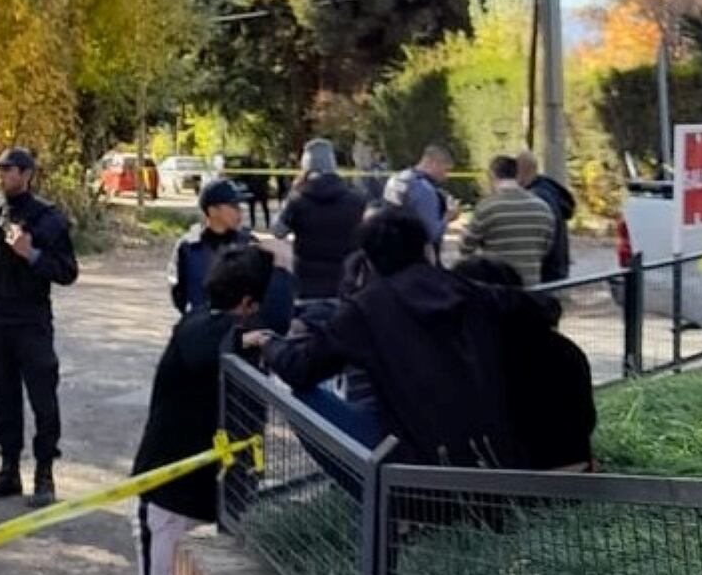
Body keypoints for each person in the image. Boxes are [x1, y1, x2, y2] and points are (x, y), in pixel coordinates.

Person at [120, 240, 294, 575]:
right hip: (170, 499)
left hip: (214, 497)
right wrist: (278, 277)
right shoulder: (200, 329)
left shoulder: (229, 331)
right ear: (246, 304)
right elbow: (211, 346)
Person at [247, 206, 554, 467]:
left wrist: (269, 343)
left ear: (369, 258)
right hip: (493, 452)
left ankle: (376, 501)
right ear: (426, 249)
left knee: (304, 398)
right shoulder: (467, 289)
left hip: (414, 462)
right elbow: (545, 307)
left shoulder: (365, 309)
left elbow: (300, 368)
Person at [0, 146, 79, 508]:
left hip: (31, 321)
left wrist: (32, 254)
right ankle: (8, 470)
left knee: (43, 397)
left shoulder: (47, 218)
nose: (2, 175)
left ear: (27, 174)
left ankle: (45, 474)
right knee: (2, 398)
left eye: (9, 169)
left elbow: (67, 271)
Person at [451, 257, 597, 471]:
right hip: (573, 471)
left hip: (513, 482)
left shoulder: (479, 356)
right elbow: (586, 420)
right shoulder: (565, 349)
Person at [272, 138, 365, 302]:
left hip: (307, 284)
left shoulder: (298, 201)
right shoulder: (356, 200)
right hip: (346, 284)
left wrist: (291, 194)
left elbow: (278, 230)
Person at [458, 155, 557, 288]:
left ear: (492, 175)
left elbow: (466, 248)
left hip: (498, 287)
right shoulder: (542, 208)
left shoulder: (487, 207)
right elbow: (546, 248)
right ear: (517, 175)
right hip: (531, 285)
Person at [167, 178, 253, 314]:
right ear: (213, 211)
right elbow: (178, 293)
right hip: (200, 327)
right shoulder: (188, 247)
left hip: (239, 329)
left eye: (240, 206)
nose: (239, 211)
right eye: (234, 206)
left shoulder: (249, 245)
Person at [384, 143, 458, 260]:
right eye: (445, 170)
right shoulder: (425, 190)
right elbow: (431, 234)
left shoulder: (395, 179)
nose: (446, 176)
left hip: (388, 251)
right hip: (415, 257)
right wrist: (448, 216)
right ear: (434, 163)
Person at [516, 150, 577, 284]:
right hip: (556, 271)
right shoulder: (550, 192)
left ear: (519, 174)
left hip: (543, 276)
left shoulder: (536, 199)